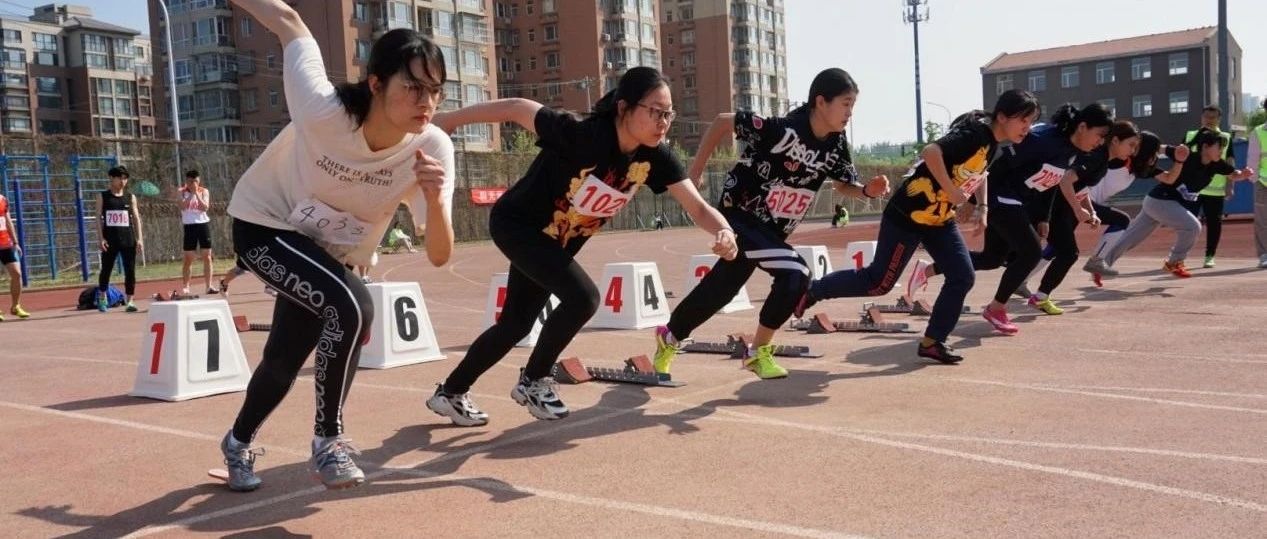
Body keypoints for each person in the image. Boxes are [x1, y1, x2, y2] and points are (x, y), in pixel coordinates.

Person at [216, 0, 455, 492]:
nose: (426, 101)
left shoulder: (430, 149)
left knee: (283, 359)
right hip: (264, 225)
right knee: (352, 307)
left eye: (435, 90)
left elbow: (439, 253)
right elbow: (288, 21)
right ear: (375, 84)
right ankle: (329, 441)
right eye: (412, 86)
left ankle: (237, 443)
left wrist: (433, 197)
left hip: (329, 253)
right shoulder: (322, 110)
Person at [426, 66, 738, 425]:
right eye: (654, 111)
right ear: (624, 108)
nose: (663, 121)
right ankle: (533, 380)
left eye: (668, 113)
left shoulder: (655, 158)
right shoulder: (583, 135)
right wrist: (448, 120)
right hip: (518, 225)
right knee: (584, 298)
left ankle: (450, 392)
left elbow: (698, 206)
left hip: (555, 243)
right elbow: (515, 107)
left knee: (516, 324)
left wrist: (724, 230)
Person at [651, 68, 889, 380]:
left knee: (721, 289)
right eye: (845, 104)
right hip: (740, 214)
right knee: (796, 274)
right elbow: (724, 121)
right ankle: (757, 352)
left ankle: (669, 336)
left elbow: (843, 184)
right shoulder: (783, 129)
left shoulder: (836, 144)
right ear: (821, 102)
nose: (850, 113)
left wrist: (866, 191)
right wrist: (693, 174)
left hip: (771, 229)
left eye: (853, 106)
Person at [799, 89, 1039, 363]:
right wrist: (950, 189)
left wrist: (982, 208)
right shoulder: (975, 134)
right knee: (878, 283)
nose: (1027, 128)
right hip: (907, 216)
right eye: (1024, 120)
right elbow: (931, 151)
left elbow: (980, 174)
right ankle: (813, 290)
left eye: (1031, 122)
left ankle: (933, 341)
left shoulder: (994, 144)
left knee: (963, 275)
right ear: (1003, 116)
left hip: (940, 221)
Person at [923, 103, 1111, 332]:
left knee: (993, 258)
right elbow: (997, 163)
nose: (1100, 142)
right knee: (1031, 251)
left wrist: (1044, 218)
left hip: (1016, 201)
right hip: (1000, 196)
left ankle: (927, 270)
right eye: (1099, 135)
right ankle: (996, 308)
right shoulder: (1043, 139)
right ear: (1082, 126)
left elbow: (1052, 183)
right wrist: (974, 201)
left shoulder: (1074, 151)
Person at [1097, 128, 1255, 278]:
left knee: (1130, 238)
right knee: (1193, 226)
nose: (1221, 150)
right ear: (1205, 147)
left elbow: (1234, 174)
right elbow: (1161, 148)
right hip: (1160, 201)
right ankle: (1174, 262)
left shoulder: (1217, 164)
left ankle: (1101, 264)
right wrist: (1136, 149)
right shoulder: (1187, 156)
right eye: (1218, 147)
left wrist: (1244, 174)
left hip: (1159, 204)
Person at [1080, 130, 1169, 283]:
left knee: (1059, 248)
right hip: (1083, 198)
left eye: (1135, 145)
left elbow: (1170, 178)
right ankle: (1096, 261)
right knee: (1121, 219)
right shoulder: (1119, 160)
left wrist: (1179, 159)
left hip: (1087, 201)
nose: (1132, 148)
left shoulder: (1138, 169)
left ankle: (1023, 281)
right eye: (1131, 144)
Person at [1185, 105, 1235, 268]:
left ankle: (1209, 255)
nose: (1209, 120)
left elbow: (1230, 162)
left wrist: (1230, 185)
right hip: (1192, 189)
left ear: (1219, 119)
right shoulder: (1191, 135)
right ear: (1202, 117)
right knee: (1186, 223)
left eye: (1213, 117)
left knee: (1214, 224)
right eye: (1206, 116)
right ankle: (1180, 256)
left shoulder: (1225, 137)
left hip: (1215, 190)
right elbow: (1182, 157)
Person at [96, 166, 144, 313]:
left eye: (125, 178)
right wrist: (101, 238)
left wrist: (139, 239)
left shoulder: (130, 197)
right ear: (112, 178)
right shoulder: (103, 196)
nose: (123, 181)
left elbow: (136, 218)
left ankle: (130, 300)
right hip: (110, 240)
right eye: (120, 178)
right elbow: (98, 217)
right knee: (106, 269)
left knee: (130, 271)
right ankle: (102, 297)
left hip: (128, 239)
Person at [176, 170, 218, 295]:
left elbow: (205, 207)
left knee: (207, 256)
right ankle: (186, 286)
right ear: (186, 182)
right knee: (189, 257)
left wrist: (197, 194)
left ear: (199, 181)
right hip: (189, 226)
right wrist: (191, 194)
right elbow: (182, 206)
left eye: (196, 181)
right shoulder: (181, 192)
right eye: (190, 181)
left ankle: (209, 286)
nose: (193, 184)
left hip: (203, 225)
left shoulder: (204, 191)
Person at [0, 193, 29, 320]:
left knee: (17, 273)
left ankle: (15, 306)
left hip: (6, 243)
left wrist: (16, 242)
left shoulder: (2, 199)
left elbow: (8, 220)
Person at [1249, 100, 1267, 268]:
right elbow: (1253, 159)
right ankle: (1264, 255)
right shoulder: (1258, 132)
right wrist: (1255, 179)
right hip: (1263, 182)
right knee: (1262, 221)